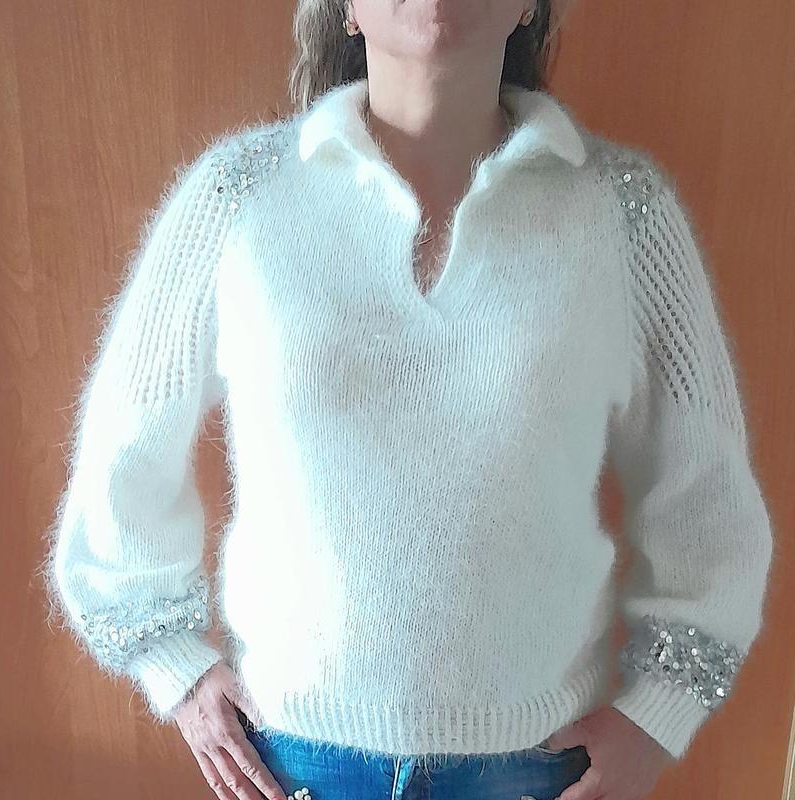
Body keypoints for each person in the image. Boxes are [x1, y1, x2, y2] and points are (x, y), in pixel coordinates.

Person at [40, 1, 775, 799]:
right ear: (346, 10)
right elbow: (122, 452)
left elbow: (708, 495)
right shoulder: (240, 197)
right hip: (290, 766)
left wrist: (659, 713)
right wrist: (173, 666)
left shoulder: (622, 215)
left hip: (536, 771)